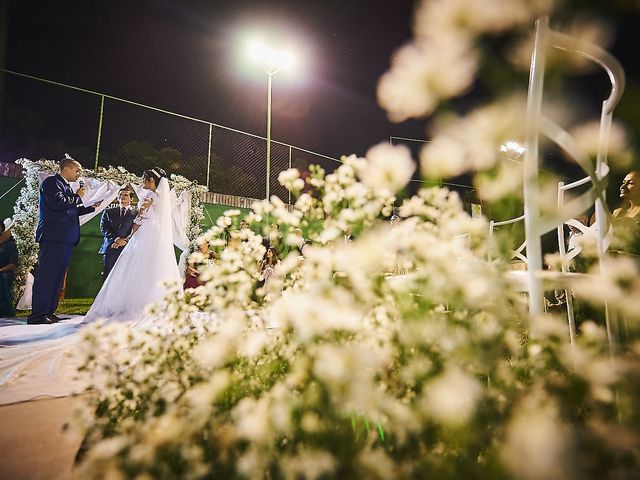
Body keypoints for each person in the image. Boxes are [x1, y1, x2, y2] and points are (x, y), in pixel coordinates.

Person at [83, 168, 182, 323]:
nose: (142, 182)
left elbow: (140, 218)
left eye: (144, 179)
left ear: (151, 180)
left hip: (146, 232)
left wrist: (129, 236)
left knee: (134, 267)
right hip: (157, 235)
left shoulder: (149, 196)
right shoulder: (163, 197)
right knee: (152, 268)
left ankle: (134, 305)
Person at [27, 156, 101, 325]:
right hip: (54, 237)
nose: (79, 174)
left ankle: (49, 312)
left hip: (65, 238)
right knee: (47, 276)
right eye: (77, 170)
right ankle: (38, 314)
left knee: (57, 276)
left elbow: (68, 211)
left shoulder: (64, 186)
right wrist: (78, 196)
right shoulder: (52, 183)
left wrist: (90, 207)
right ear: (66, 169)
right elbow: (58, 204)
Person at [99, 188, 138, 279]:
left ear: (131, 199)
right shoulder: (108, 212)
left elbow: (137, 231)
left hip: (128, 249)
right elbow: (104, 228)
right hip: (110, 248)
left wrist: (125, 241)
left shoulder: (136, 214)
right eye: (120, 195)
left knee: (124, 278)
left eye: (125, 195)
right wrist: (116, 239)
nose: (122, 197)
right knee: (108, 277)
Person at [0, 222, 18, 316]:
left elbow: (12, 264)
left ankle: (5, 311)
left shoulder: (10, 245)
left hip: (5, 271)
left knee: (3, 278)